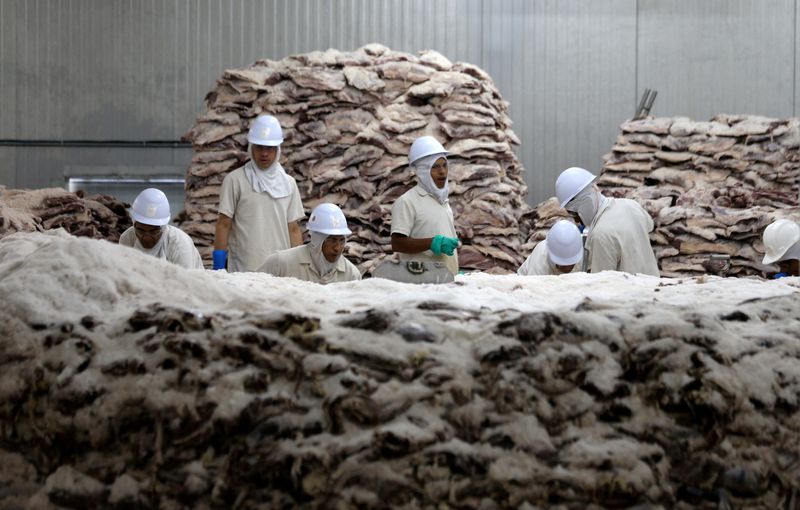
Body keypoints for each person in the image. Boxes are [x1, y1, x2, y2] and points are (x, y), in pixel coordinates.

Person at [213, 114, 304, 272]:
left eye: (270, 148)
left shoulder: (289, 184)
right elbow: (224, 224)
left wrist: (300, 267)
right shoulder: (235, 180)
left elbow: (294, 229)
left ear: (278, 149)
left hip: (280, 271)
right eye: (259, 147)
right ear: (251, 147)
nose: (264, 153)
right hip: (244, 270)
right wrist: (218, 267)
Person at [555, 166, 659, 276]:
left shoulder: (600, 235)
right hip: (654, 287)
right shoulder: (631, 205)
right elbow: (650, 226)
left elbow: (602, 285)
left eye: (573, 213)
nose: (576, 220)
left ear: (583, 205)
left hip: (630, 292)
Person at [390, 136, 459, 276]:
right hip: (420, 283)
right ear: (422, 171)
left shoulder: (443, 202)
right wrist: (431, 243)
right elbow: (397, 243)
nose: (442, 171)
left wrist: (454, 270)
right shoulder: (407, 201)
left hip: (445, 282)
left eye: (444, 165)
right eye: (435, 167)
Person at [257, 203, 361, 284]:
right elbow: (251, 291)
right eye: (332, 240)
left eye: (342, 241)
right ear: (317, 240)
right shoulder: (280, 264)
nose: (338, 248)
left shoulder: (351, 275)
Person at [119, 188, 204, 270]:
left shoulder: (179, 245)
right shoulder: (127, 239)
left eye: (154, 231)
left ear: (163, 228)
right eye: (141, 230)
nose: (146, 237)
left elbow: (187, 282)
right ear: (134, 224)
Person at [518, 219, 583, 275]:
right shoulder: (540, 258)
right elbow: (532, 287)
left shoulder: (579, 250)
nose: (567, 268)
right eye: (564, 265)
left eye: (571, 264)